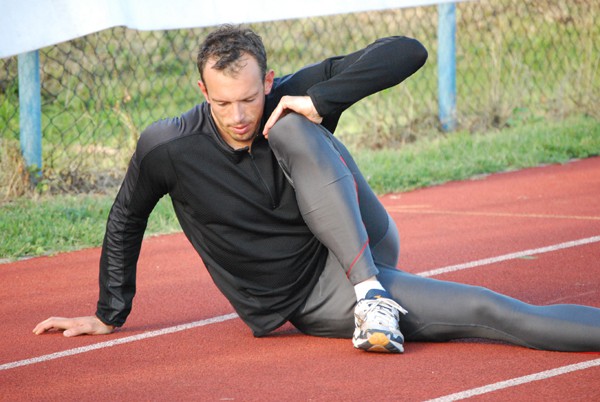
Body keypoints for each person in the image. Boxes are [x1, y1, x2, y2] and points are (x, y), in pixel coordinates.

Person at [34, 25, 600, 353]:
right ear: (200, 89)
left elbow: (408, 51)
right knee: (487, 308)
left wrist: (320, 101)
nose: (237, 115)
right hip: (310, 292)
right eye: (221, 101)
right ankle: (368, 296)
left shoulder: (285, 97)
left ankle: (373, 296)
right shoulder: (168, 146)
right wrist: (110, 312)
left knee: (296, 126)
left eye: (250, 98)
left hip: (361, 241)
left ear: (268, 80)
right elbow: (125, 218)